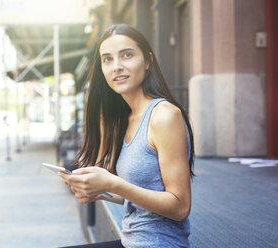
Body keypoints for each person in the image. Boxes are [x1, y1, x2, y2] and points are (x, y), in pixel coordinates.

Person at [59, 24, 195, 248]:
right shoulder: (127, 117)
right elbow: (145, 195)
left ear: (148, 61)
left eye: (127, 55)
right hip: (131, 241)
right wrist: (102, 192)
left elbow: (180, 207)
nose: (117, 67)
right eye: (107, 59)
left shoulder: (164, 115)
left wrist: (113, 183)